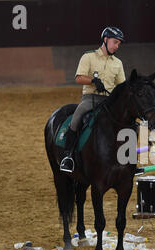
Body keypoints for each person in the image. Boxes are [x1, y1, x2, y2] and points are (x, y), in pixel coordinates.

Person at [60, 26, 126, 172]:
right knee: (77, 117)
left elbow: (121, 86)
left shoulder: (118, 63)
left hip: (109, 100)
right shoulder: (88, 57)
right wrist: (93, 81)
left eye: (118, 44)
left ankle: (128, 159)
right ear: (105, 40)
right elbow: (78, 78)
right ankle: (68, 156)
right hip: (90, 99)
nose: (116, 46)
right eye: (115, 42)